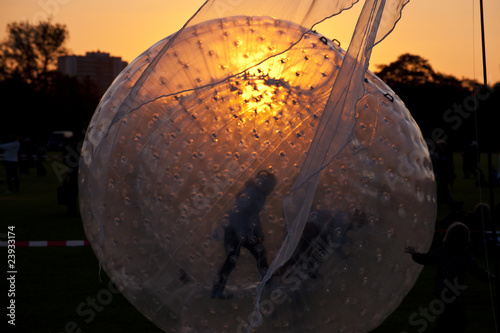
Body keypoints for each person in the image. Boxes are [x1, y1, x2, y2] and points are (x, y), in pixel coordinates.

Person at [405, 222, 494, 332]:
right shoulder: (464, 255)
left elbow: (426, 258)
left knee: (449, 316)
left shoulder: (442, 251)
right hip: (452, 290)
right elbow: (476, 270)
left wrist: (414, 254)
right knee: (458, 318)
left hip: (441, 289)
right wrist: (491, 277)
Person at [211, 170, 277, 299]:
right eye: (271, 186)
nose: (272, 189)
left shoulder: (259, 194)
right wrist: (240, 234)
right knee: (232, 258)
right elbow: (237, 212)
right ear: (265, 184)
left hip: (242, 230)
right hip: (233, 228)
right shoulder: (251, 192)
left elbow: (254, 215)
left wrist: (259, 233)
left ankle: (268, 281)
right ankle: (217, 290)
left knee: (259, 253)